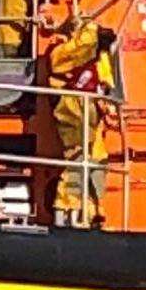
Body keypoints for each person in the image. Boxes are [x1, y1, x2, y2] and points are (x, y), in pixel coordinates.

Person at [46, 18, 118, 227]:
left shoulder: (99, 56)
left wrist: (108, 106)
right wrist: (92, 31)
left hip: (93, 114)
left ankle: (92, 213)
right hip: (73, 108)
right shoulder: (62, 51)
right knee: (77, 158)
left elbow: (106, 83)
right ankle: (65, 212)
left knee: (97, 161)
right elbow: (67, 57)